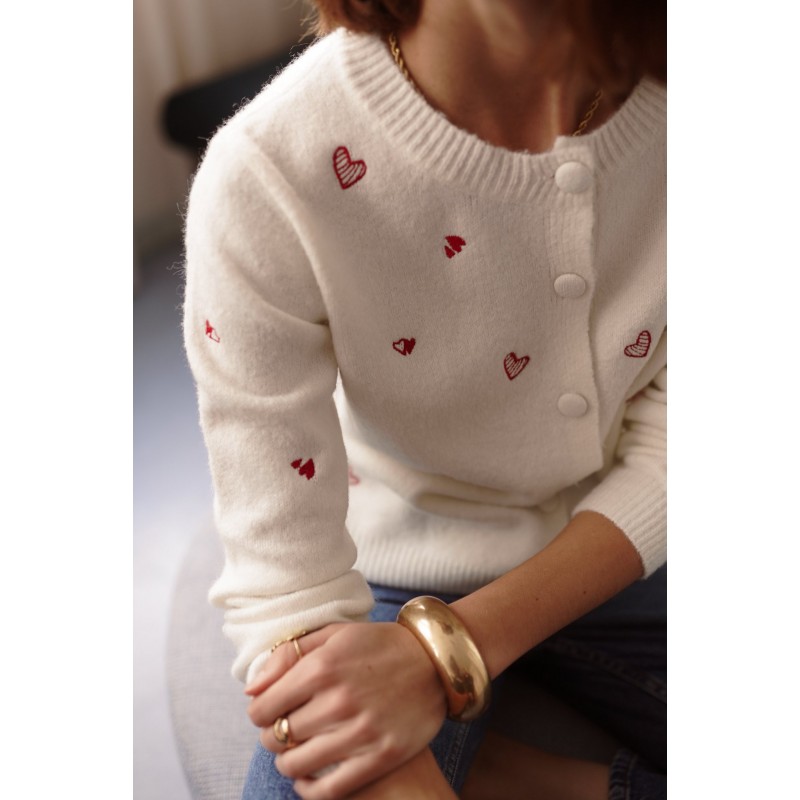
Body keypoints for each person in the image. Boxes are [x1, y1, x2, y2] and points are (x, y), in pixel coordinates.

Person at [182, 1, 666, 798]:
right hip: (394, 562)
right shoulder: (267, 171)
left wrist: (447, 653)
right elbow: (283, 578)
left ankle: (531, 779)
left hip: (634, 546)